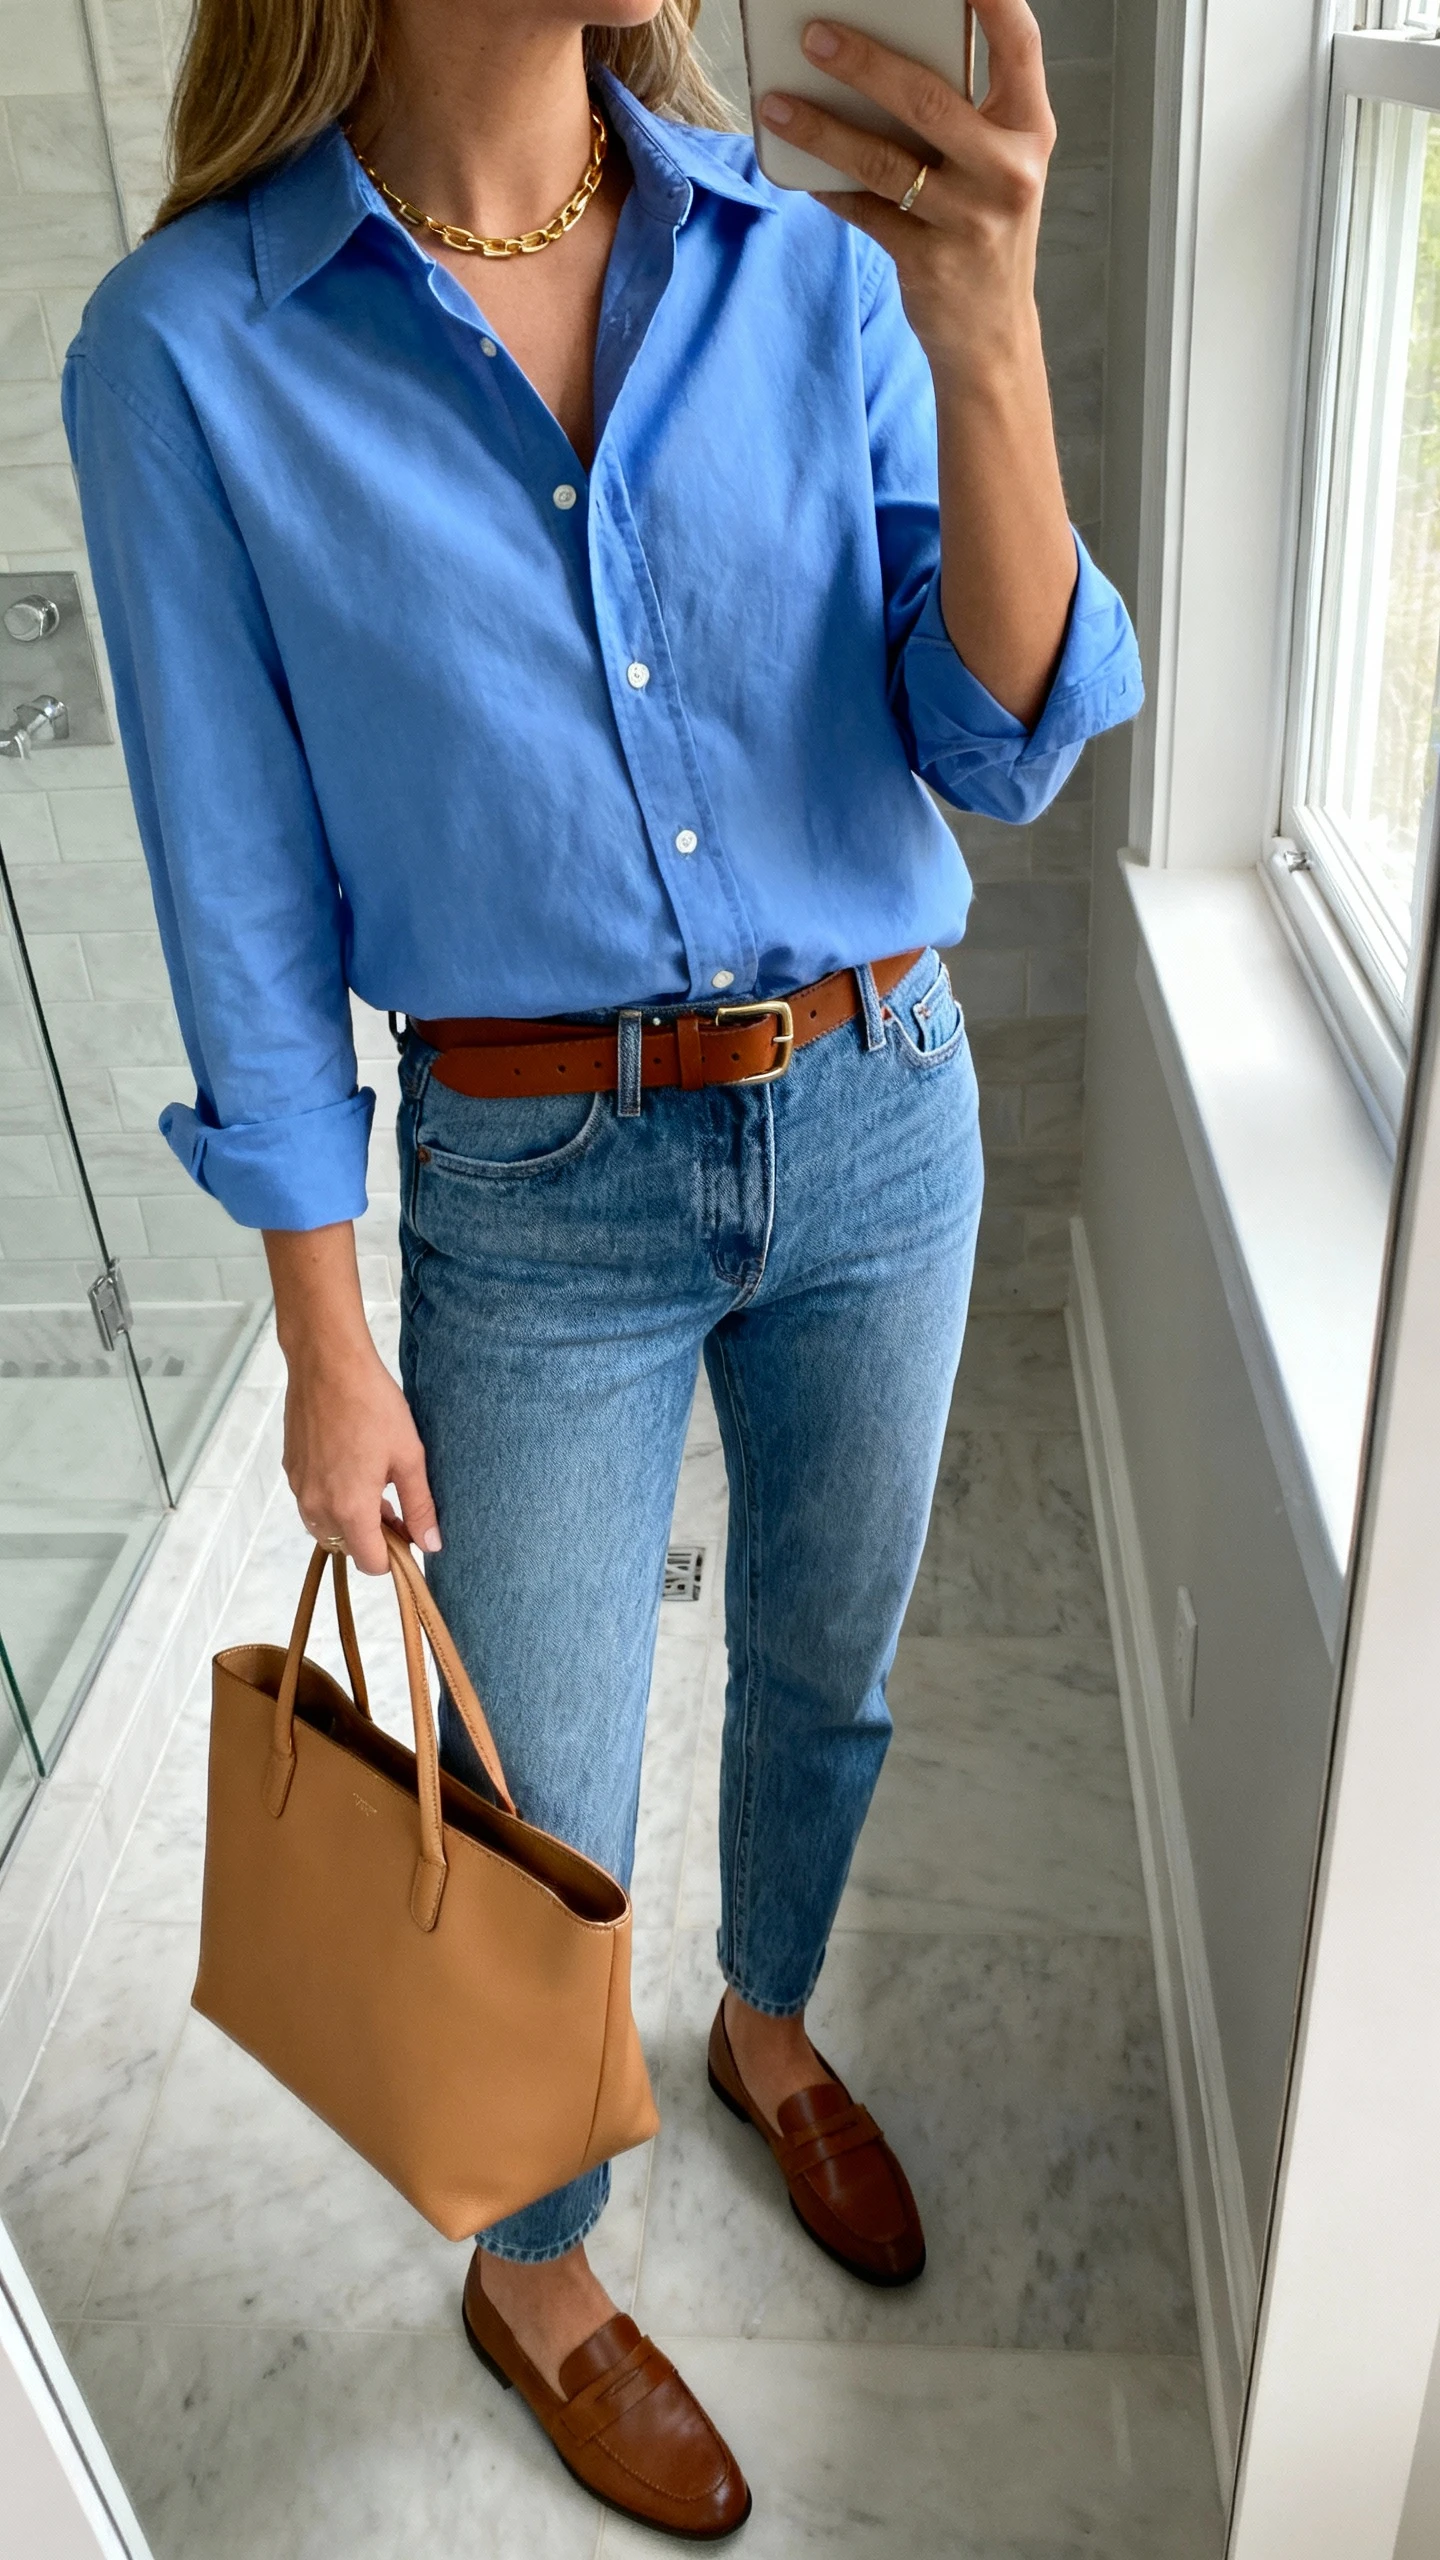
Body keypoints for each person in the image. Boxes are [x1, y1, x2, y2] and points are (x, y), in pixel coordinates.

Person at [63, 0, 1141, 2530]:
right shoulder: (190, 350)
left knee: (829, 1664)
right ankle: (534, 2263)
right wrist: (327, 1344)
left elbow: (997, 736)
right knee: (535, 1793)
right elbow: (239, 896)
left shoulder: (808, 264)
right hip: (536, 1186)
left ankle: (765, 2020)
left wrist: (989, 344)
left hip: (879, 1102)